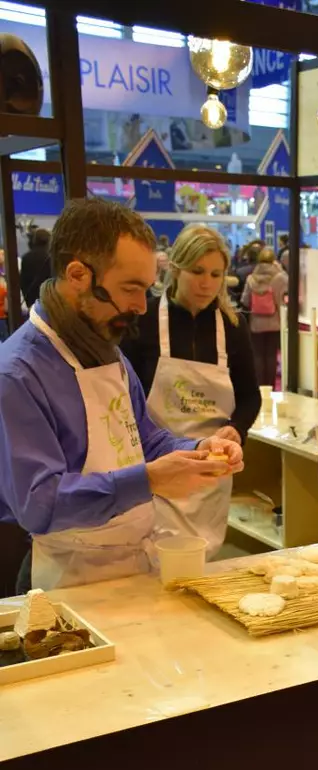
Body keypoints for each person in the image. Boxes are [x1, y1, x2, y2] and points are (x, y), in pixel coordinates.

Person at [0, 198, 242, 592]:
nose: (140, 307)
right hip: (66, 581)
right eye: (130, 289)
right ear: (78, 274)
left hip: (134, 565)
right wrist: (148, 481)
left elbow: (143, 438)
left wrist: (199, 448)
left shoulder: (107, 352)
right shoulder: (17, 374)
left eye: (146, 289)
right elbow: (39, 503)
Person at [122, 224, 259, 557]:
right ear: (175, 267)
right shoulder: (145, 318)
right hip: (157, 465)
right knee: (152, 561)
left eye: (215, 274)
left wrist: (236, 429)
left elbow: (250, 396)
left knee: (201, 559)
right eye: (197, 271)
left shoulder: (232, 325)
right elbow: (124, 398)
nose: (205, 283)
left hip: (210, 469)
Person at [242, 246, 288, 386]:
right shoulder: (279, 277)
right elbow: (283, 299)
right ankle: (271, 386)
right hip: (274, 322)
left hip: (256, 323)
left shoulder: (251, 278)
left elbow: (245, 300)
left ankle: (260, 386)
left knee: (258, 355)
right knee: (271, 355)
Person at [20, 227, 52, 311]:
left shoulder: (26, 258)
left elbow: (23, 281)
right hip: (48, 301)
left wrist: (28, 302)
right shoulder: (51, 257)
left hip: (32, 302)